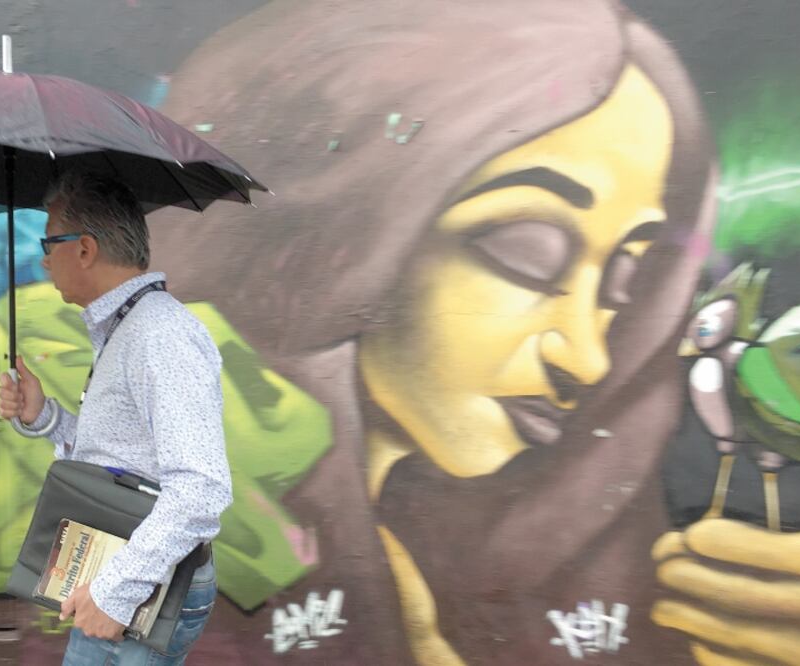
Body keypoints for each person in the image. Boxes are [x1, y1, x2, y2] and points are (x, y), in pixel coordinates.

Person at [146, 0, 734, 663]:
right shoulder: (162, 470)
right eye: (527, 253)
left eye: (626, 283)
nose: (588, 356)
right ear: (343, 231)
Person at [0, 172, 232, 665]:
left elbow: (201, 487)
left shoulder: (159, 336)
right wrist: (44, 418)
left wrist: (116, 592)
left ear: (84, 249)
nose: (43, 258)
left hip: (142, 584)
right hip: (122, 572)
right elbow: (123, 457)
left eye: (49, 242)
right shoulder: (129, 326)